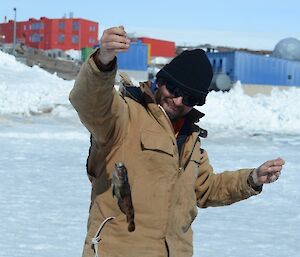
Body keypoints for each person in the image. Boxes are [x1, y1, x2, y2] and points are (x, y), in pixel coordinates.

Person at [69, 26, 285, 257]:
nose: (178, 100)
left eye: (190, 97)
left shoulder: (190, 137)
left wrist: (251, 179)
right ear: (160, 81)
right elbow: (90, 102)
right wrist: (103, 60)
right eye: (174, 88)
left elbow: (205, 189)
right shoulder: (124, 116)